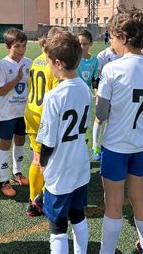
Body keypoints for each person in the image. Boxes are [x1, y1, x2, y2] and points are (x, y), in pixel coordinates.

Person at [96, 6, 143, 254]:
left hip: (115, 146)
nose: (111, 42)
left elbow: (101, 115)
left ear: (124, 38)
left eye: (112, 37)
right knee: (140, 196)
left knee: (113, 203)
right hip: (142, 145)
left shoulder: (112, 69)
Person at [37, 31, 92, 254]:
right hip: (80, 162)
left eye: (49, 62)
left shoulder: (54, 96)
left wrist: (42, 163)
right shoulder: (86, 89)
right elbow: (85, 126)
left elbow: (48, 140)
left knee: (57, 223)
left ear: (58, 63)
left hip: (60, 167)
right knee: (78, 214)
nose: (48, 66)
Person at [25, 30, 60, 216]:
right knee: (49, 161)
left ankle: (33, 199)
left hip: (31, 112)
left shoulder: (36, 60)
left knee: (37, 159)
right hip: (45, 116)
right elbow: (56, 98)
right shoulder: (55, 65)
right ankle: (43, 199)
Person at [0, 28, 32, 198]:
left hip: (23, 112)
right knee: (5, 144)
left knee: (20, 141)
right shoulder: (2, 65)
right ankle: (3, 180)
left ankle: (17, 173)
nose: (21, 50)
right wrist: (16, 80)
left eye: (23, 46)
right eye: (17, 46)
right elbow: (1, 91)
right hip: (7, 113)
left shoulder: (29, 63)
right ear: (8, 47)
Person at [91, 42, 120, 162]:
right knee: (100, 117)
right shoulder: (102, 55)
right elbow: (95, 77)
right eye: (113, 38)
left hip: (118, 92)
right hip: (104, 92)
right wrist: (97, 91)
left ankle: (109, 145)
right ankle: (95, 146)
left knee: (115, 118)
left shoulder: (123, 54)